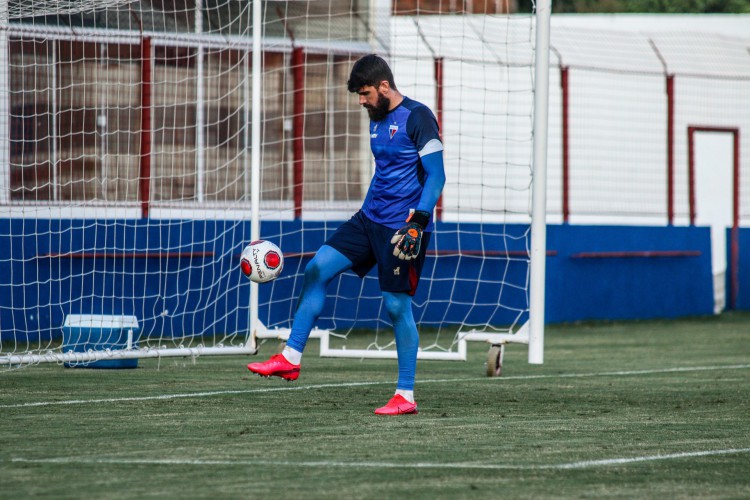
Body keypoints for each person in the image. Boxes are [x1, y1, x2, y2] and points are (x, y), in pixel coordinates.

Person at [247, 54, 446, 416]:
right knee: (317, 267)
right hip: (367, 219)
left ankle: (406, 395)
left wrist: (417, 222)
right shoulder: (375, 117)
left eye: (366, 93)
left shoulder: (418, 117)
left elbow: (437, 176)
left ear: (385, 87)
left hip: (403, 230)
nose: (361, 101)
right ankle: (291, 356)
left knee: (397, 306)